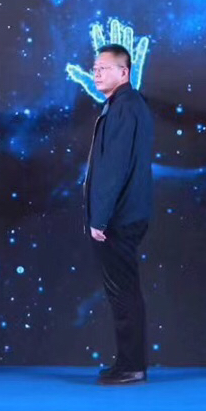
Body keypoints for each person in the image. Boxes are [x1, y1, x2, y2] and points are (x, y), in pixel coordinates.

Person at [84, 43, 154, 386]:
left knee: (123, 291)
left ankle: (131, 366)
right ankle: (129, 362)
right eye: (95, 68)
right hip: (125, 213)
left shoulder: (125, 107)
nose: (96, 73)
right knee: (123, 291)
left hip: (119, 217)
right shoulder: (125, 104)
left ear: (124, 72)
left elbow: (114, 168)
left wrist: (99, 218)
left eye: (104, 68)